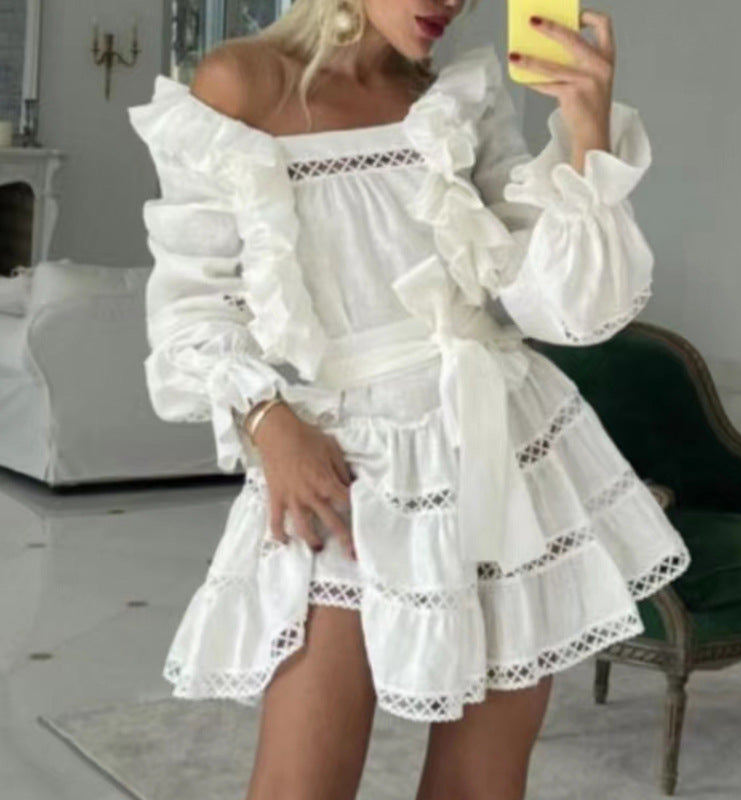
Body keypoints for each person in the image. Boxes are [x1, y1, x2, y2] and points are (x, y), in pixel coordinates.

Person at [127, 1, 691, 798]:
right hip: (341, 461)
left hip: (499, 450)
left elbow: (566, 311)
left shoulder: (458, 102)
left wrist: (587, 133)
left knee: (481, 786)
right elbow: (192, 307)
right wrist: (268, 419)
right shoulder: (241, 83)